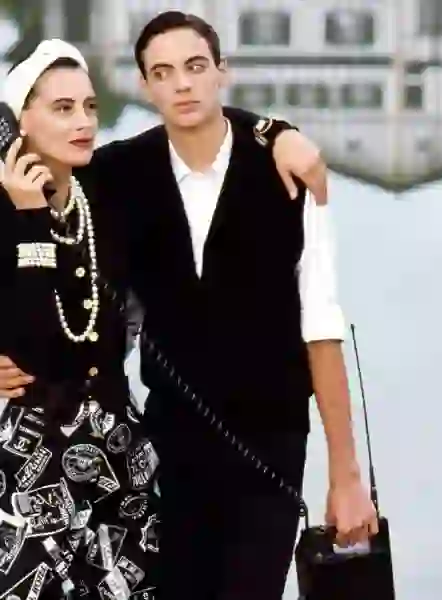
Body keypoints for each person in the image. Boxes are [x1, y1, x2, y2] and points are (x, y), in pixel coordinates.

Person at [0, 10, 378, 600]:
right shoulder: (118, 172)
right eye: (163, 72)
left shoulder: (286, 173)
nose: (182, 84)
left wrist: (346, 475)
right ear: (144, 85)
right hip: (167, 450)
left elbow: (322, 326)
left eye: (196, 67)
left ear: (222, 71)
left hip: (267, 447)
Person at [0, 39, 161, 598]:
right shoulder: (6, 213)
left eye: (90, 107)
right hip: (32, 448)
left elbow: (189, 125)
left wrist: (272, 130)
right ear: (19, 122)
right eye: (63, 108)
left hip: (119, 443)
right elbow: (37, 344)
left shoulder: (106, 190)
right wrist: (29, 220)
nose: (84, 122)